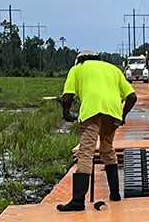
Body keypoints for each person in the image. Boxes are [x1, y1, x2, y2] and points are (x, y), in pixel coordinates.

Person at [57, 50, 138, 211]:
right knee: (107, 149)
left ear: (79, 60)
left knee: (86, 152)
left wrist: (66, 114)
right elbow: (132, 96)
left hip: (92, 112)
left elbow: (67, 97)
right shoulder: (113, 69)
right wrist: (122, 116)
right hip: (113, 112)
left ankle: (78, 201)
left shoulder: (78, 68)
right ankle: (115, 194)